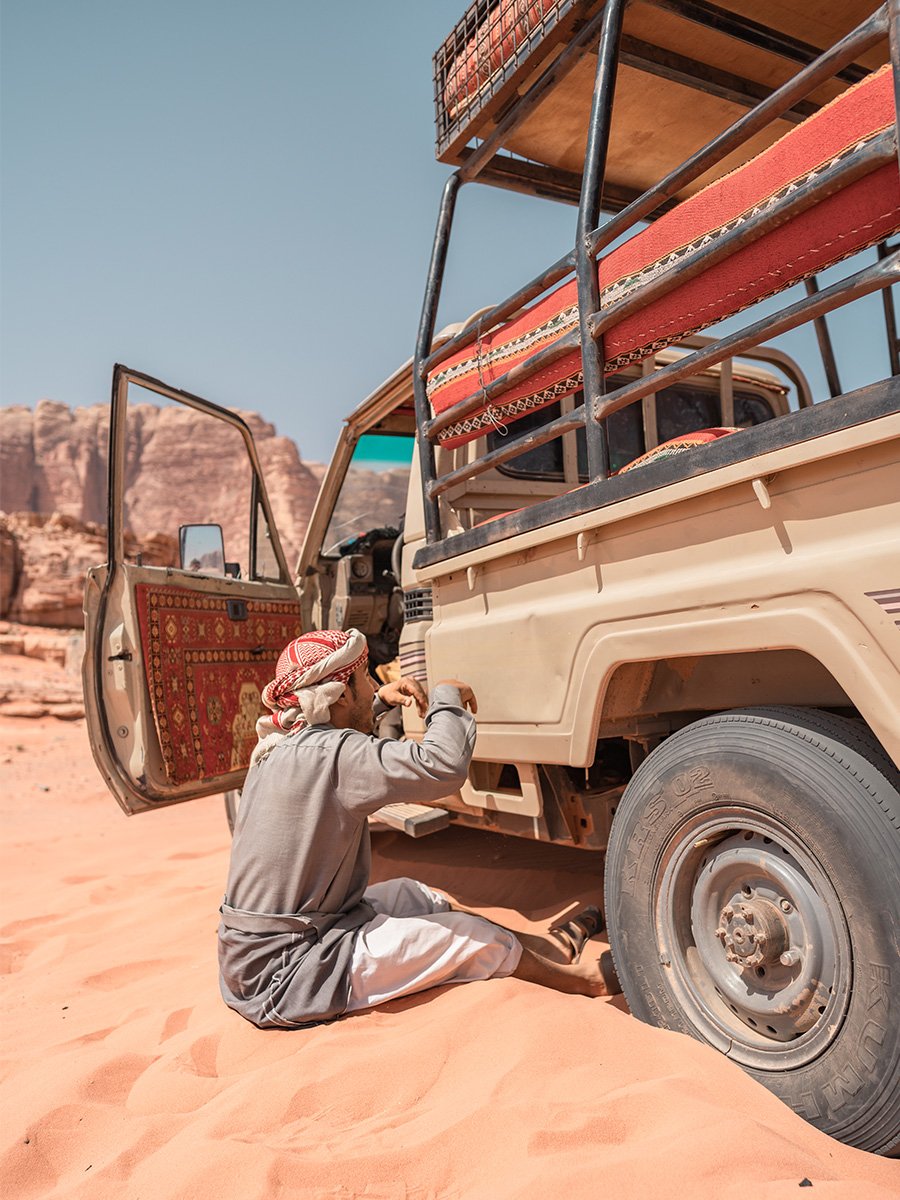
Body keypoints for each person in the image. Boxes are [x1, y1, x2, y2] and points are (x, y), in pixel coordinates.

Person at [218, 628, 614, 1029]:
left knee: (412, 894)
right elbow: (441, 765)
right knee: (468, 937)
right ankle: (585, 982)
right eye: (364, 679)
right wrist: (447, 698)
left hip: (263, 957)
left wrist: (373, 703)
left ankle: (545, 947)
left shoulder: (281, 747)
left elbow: (333, 741)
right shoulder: (335, 756)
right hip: (290, 975)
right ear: (339, 695)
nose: (375, 683)